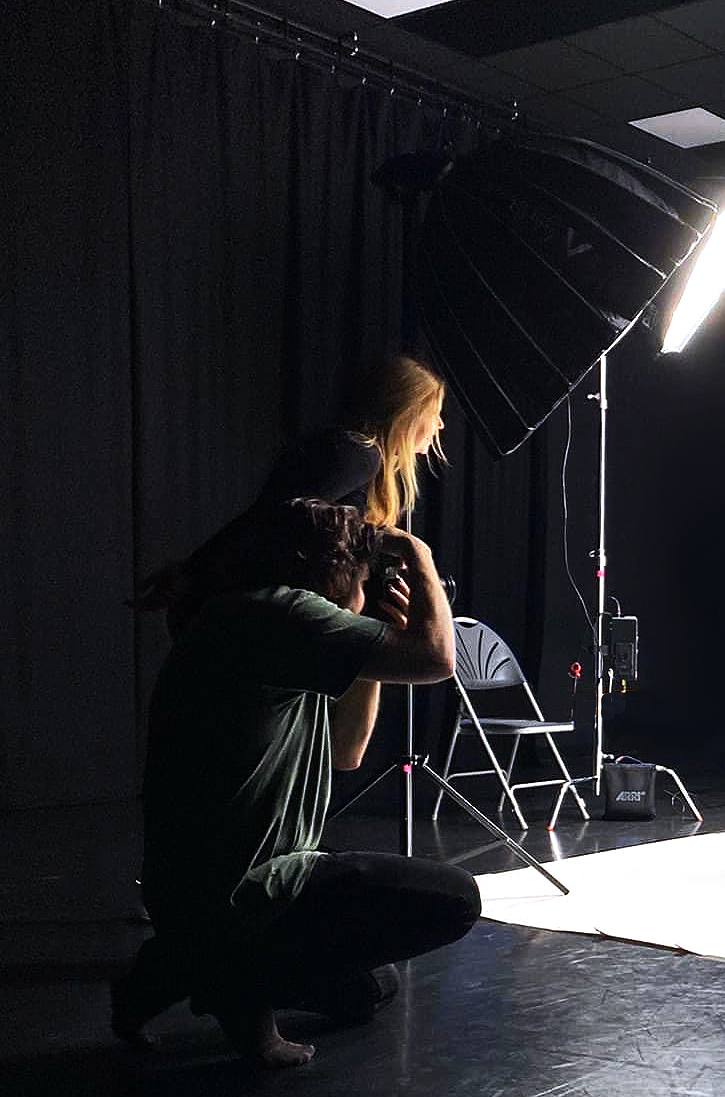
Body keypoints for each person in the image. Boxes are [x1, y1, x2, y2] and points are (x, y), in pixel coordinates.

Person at [112, 498, 478, 1066]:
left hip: (218, 889)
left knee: (368, 991)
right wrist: (419, 554)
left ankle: (172, 969)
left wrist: (373, 631)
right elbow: (436, 658)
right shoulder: (279, 615)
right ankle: (230, 989)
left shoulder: (267, 620)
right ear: (339, 573)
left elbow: (347, 752)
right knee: (454, 899)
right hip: (238, 890)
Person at [130, 353, 447, 635]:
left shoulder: (361, 458)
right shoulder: (359, 455)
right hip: (248, 615)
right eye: (434, 414)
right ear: (408, 413)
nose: (441, 425)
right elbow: (269, 518)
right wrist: (190, 573)